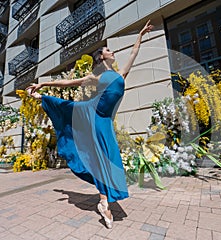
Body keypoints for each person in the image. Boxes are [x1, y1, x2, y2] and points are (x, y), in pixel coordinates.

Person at [26, 20, 154, 229]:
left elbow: (133, 53)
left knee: (110, 157)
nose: (113, 52)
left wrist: (140, 35)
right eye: (109, 50)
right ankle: (41, 97)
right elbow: (68, 83)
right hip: (92, 114)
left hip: (104, 121)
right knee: (94, 148)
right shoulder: (97, 76)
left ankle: (104, 201)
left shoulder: (120, 75)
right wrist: (44, 83)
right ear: (102, 57)